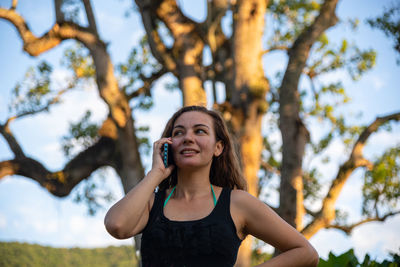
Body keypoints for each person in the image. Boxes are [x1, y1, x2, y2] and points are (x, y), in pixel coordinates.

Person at [104, 105, 319, 267]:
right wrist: (156, 174)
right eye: (178, 132)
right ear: (168, 145)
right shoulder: (152, 203)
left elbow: (305, 252)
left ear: (218, 147)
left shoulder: (237, 203)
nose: (188, 137)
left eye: (199, 131)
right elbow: (117, 225)